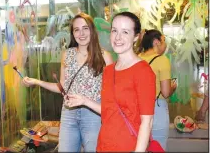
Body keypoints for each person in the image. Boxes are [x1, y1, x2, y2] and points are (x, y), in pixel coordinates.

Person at [65, 12, 156, 152]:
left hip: (129, 146)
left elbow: (147, 122)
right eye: (114, 31)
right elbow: (109, 111)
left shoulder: (143, 71)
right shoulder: (108, 70)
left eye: (125, 32)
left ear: (136, 37)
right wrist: (84, 100)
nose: (118, 37)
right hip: (104, 145)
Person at [22, 13, 113, 152]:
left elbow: (112, 92)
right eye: (76, 30)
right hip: (69, 113)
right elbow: (62, 87)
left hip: (93, 115)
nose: (81, 33)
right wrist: (36, 81)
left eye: (85, 28)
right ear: (73, 33)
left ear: (92, 30)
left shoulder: (104, 56)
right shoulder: (67, 54)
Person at [138, 29, 177, 151]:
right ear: (156, 42)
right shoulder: (162, 60)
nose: (165, 45)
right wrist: (173, 87)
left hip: (138, 109)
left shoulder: (136, 58)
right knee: (158, 147)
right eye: (164, 40)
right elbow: (165, 93)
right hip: (157, 110)